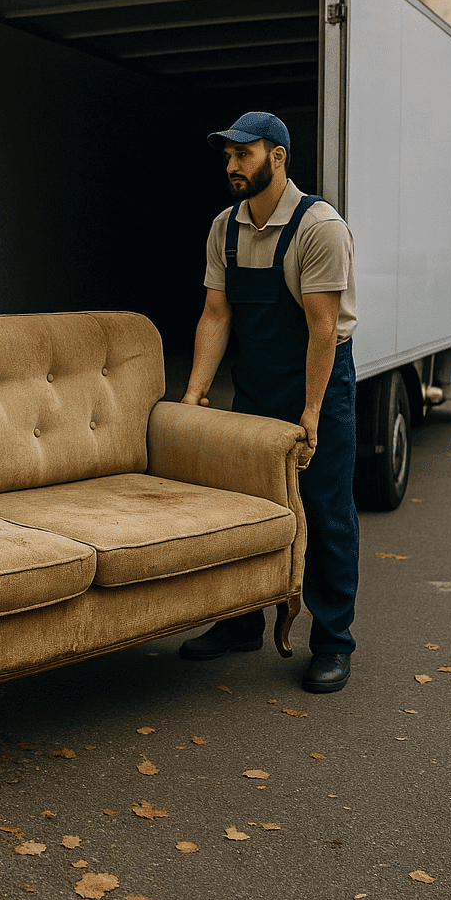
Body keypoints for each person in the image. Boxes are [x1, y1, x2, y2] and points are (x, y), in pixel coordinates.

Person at [178, 111, 359, 694]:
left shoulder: (318, 227)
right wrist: (195, 392)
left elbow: (322, 328)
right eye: (228, 156)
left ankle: (332, 642)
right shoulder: (224, 228)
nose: (232, 165)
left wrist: (310, 412)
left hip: (318, 383)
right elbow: (216, 313)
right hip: (256, 381)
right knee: (248, 507)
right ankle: (240, 624)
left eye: (244, 154)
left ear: (277, 157)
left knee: (325, 513)